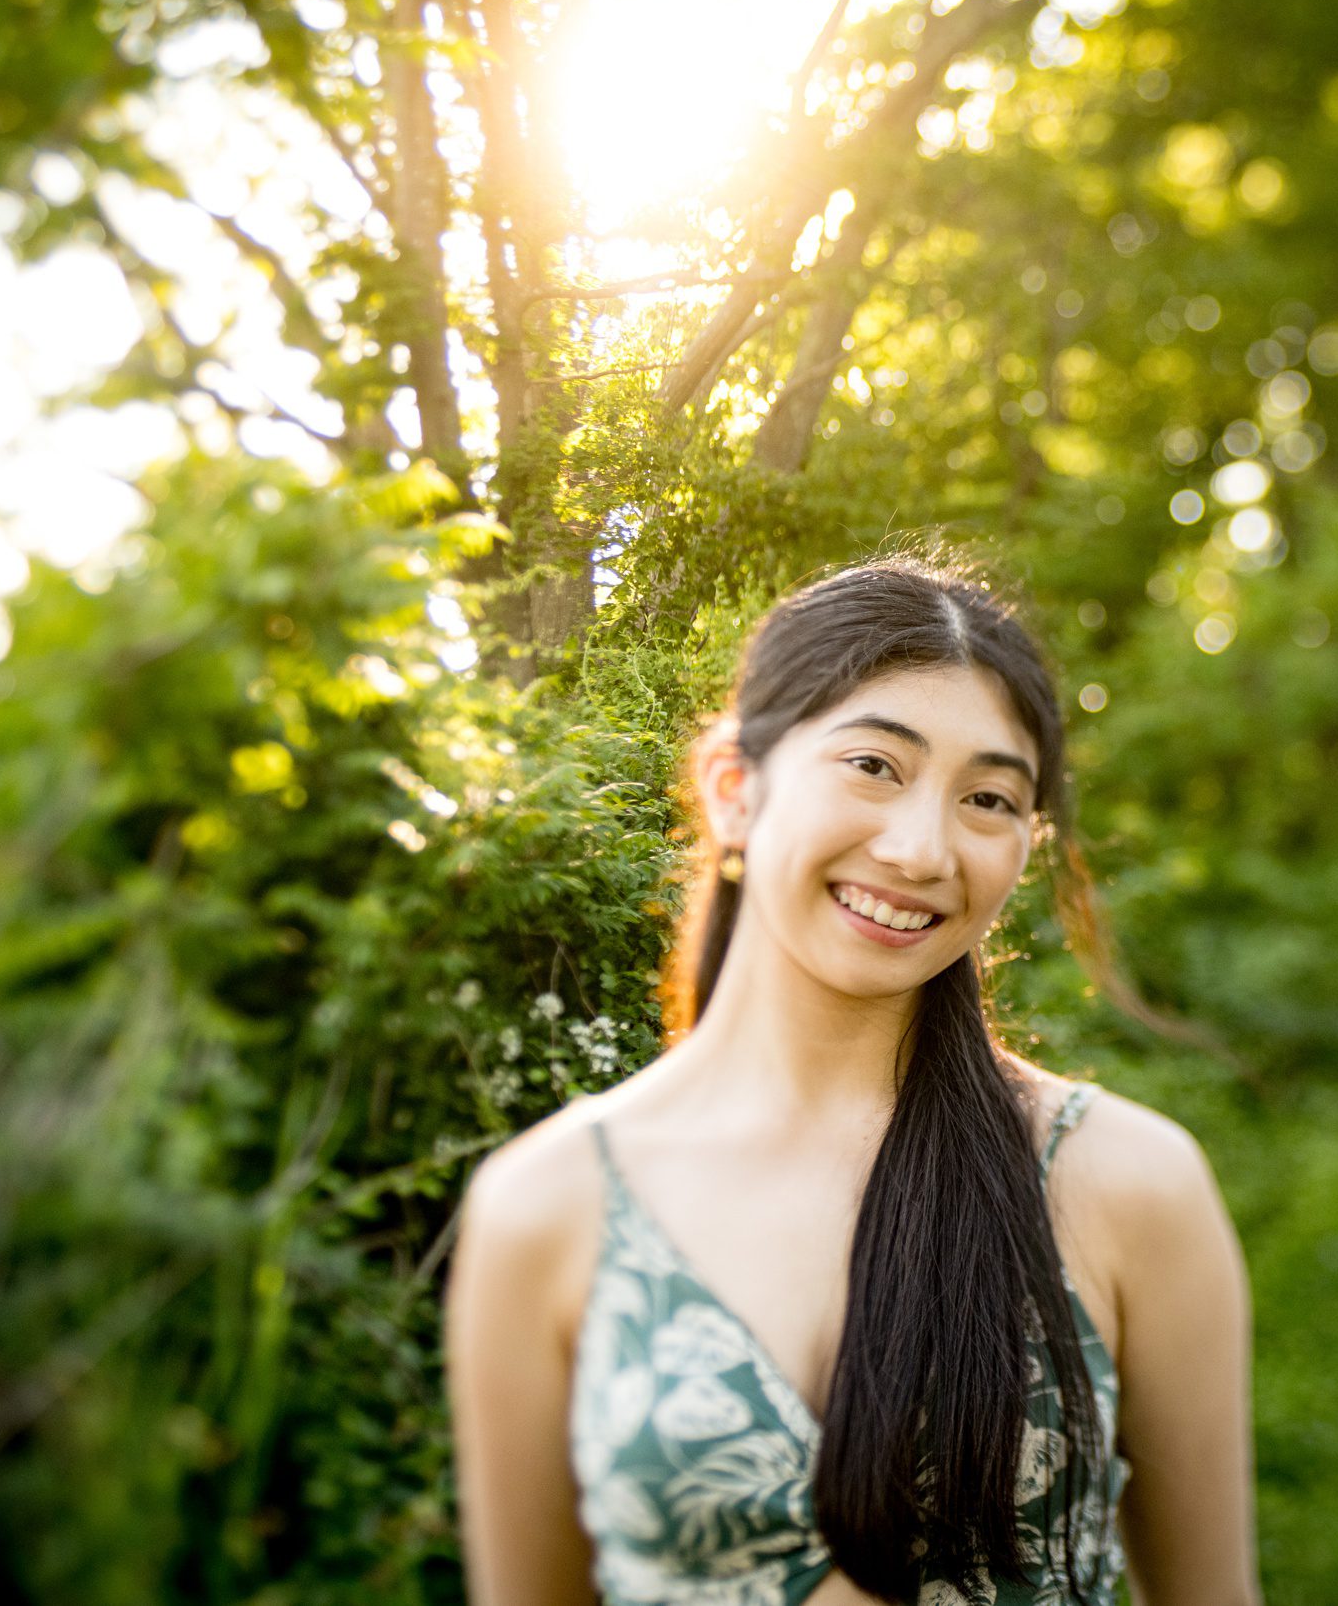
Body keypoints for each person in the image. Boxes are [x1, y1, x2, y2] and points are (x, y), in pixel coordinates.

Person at [443, 556, 1261, 1606]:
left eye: (987, 798)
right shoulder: (545, 1208)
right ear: (734, 789)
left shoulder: (1128, 1184)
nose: (920, 849)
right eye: (874, 764)